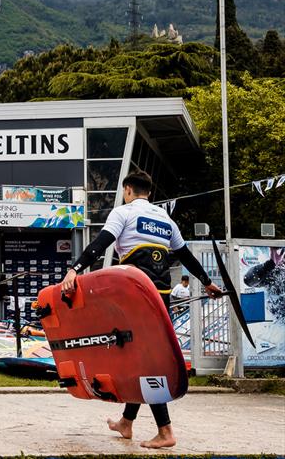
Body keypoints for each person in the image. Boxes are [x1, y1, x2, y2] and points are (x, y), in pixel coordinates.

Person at [60, 170, 222, 449]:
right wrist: (208, 283)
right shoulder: (165, 219)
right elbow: (185, 257)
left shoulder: (124, 213)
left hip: (136, 300)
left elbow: (101, 244)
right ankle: (126, 422)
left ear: (127, 190)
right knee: (141, 357)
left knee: (146, 363)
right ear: (150, 192)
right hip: (162, 298)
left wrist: (74, 269)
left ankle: (165, 431)